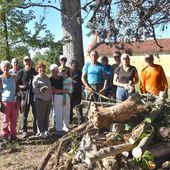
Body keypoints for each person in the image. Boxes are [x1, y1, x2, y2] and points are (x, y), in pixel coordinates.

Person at [16, 56, 37, 138]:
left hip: (33, 95)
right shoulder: (20, 72)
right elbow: (16, 85)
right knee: (24, 114)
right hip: (24, 95)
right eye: (26, 61)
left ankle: (35, 129)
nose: (27, 62)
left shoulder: (34, 72)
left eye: (28, 61)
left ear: (31, 62)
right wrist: (23, 87)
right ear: (24, 62)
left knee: (35, 113)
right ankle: (24, 130)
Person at [0, 60, 19, 141]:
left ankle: (13, 135)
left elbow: (17, 88)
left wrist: (17, 97)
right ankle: (4, 135)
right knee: (5, 120)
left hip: (14, 101)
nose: (6, 69)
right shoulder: (0, 78)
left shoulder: (14, 77)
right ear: (1, 68)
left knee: (14, 119)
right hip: (5, 101)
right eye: (4, 67)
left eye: (7, 67)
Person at [32, 62, 52, 139]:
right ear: (37, 69)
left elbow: (49, 88)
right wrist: (40, 89)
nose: (41, 69)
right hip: (40, 100)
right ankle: (41, 131)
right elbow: (34, 90)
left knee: (46, 116)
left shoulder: (46, 77)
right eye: (40, 68)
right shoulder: (36, 78)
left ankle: (46, 130)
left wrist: (51, 99)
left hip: (48, 100)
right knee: (41, 116)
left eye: (43, 67)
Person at [49, 64, 70, 136]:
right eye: (53, 70)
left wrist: (64, 93)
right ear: (51, 71)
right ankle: (59, 129)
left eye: (55, 70)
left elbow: (67, 88)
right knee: (58, 113)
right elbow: (53, 90)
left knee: (66, 111)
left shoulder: (62, 78)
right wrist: (62, 91)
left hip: (65, 96)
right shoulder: (50, 80)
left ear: (57, 70)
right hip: (57, 97)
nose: (54, 71)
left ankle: (66, 126)